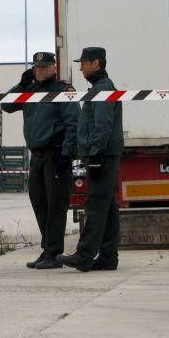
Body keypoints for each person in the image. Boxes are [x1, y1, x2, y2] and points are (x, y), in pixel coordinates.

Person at [3, 52, 79, 270]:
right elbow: (6, 105)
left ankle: (54, 253)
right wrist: (21, 83)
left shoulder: (63, 91)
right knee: (40, 203)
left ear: (54, 68)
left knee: (56, 205)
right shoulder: (29, 90)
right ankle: (48, 249)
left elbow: (74, 122)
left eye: (46, 67)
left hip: (56, 155)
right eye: (37, 67)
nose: (41, 71)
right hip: (36, 156)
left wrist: (67, 153)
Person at [57, 47, 124, 272]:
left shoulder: (103, 89)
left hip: (102, 155)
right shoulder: (99, 88)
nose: (81, 67)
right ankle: (108, 257)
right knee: (108, 207)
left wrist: (94, 152)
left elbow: (102, 125)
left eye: (84, 62)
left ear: (97, 63)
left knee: (95, 205)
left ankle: (84, 255)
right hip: (105, 154)